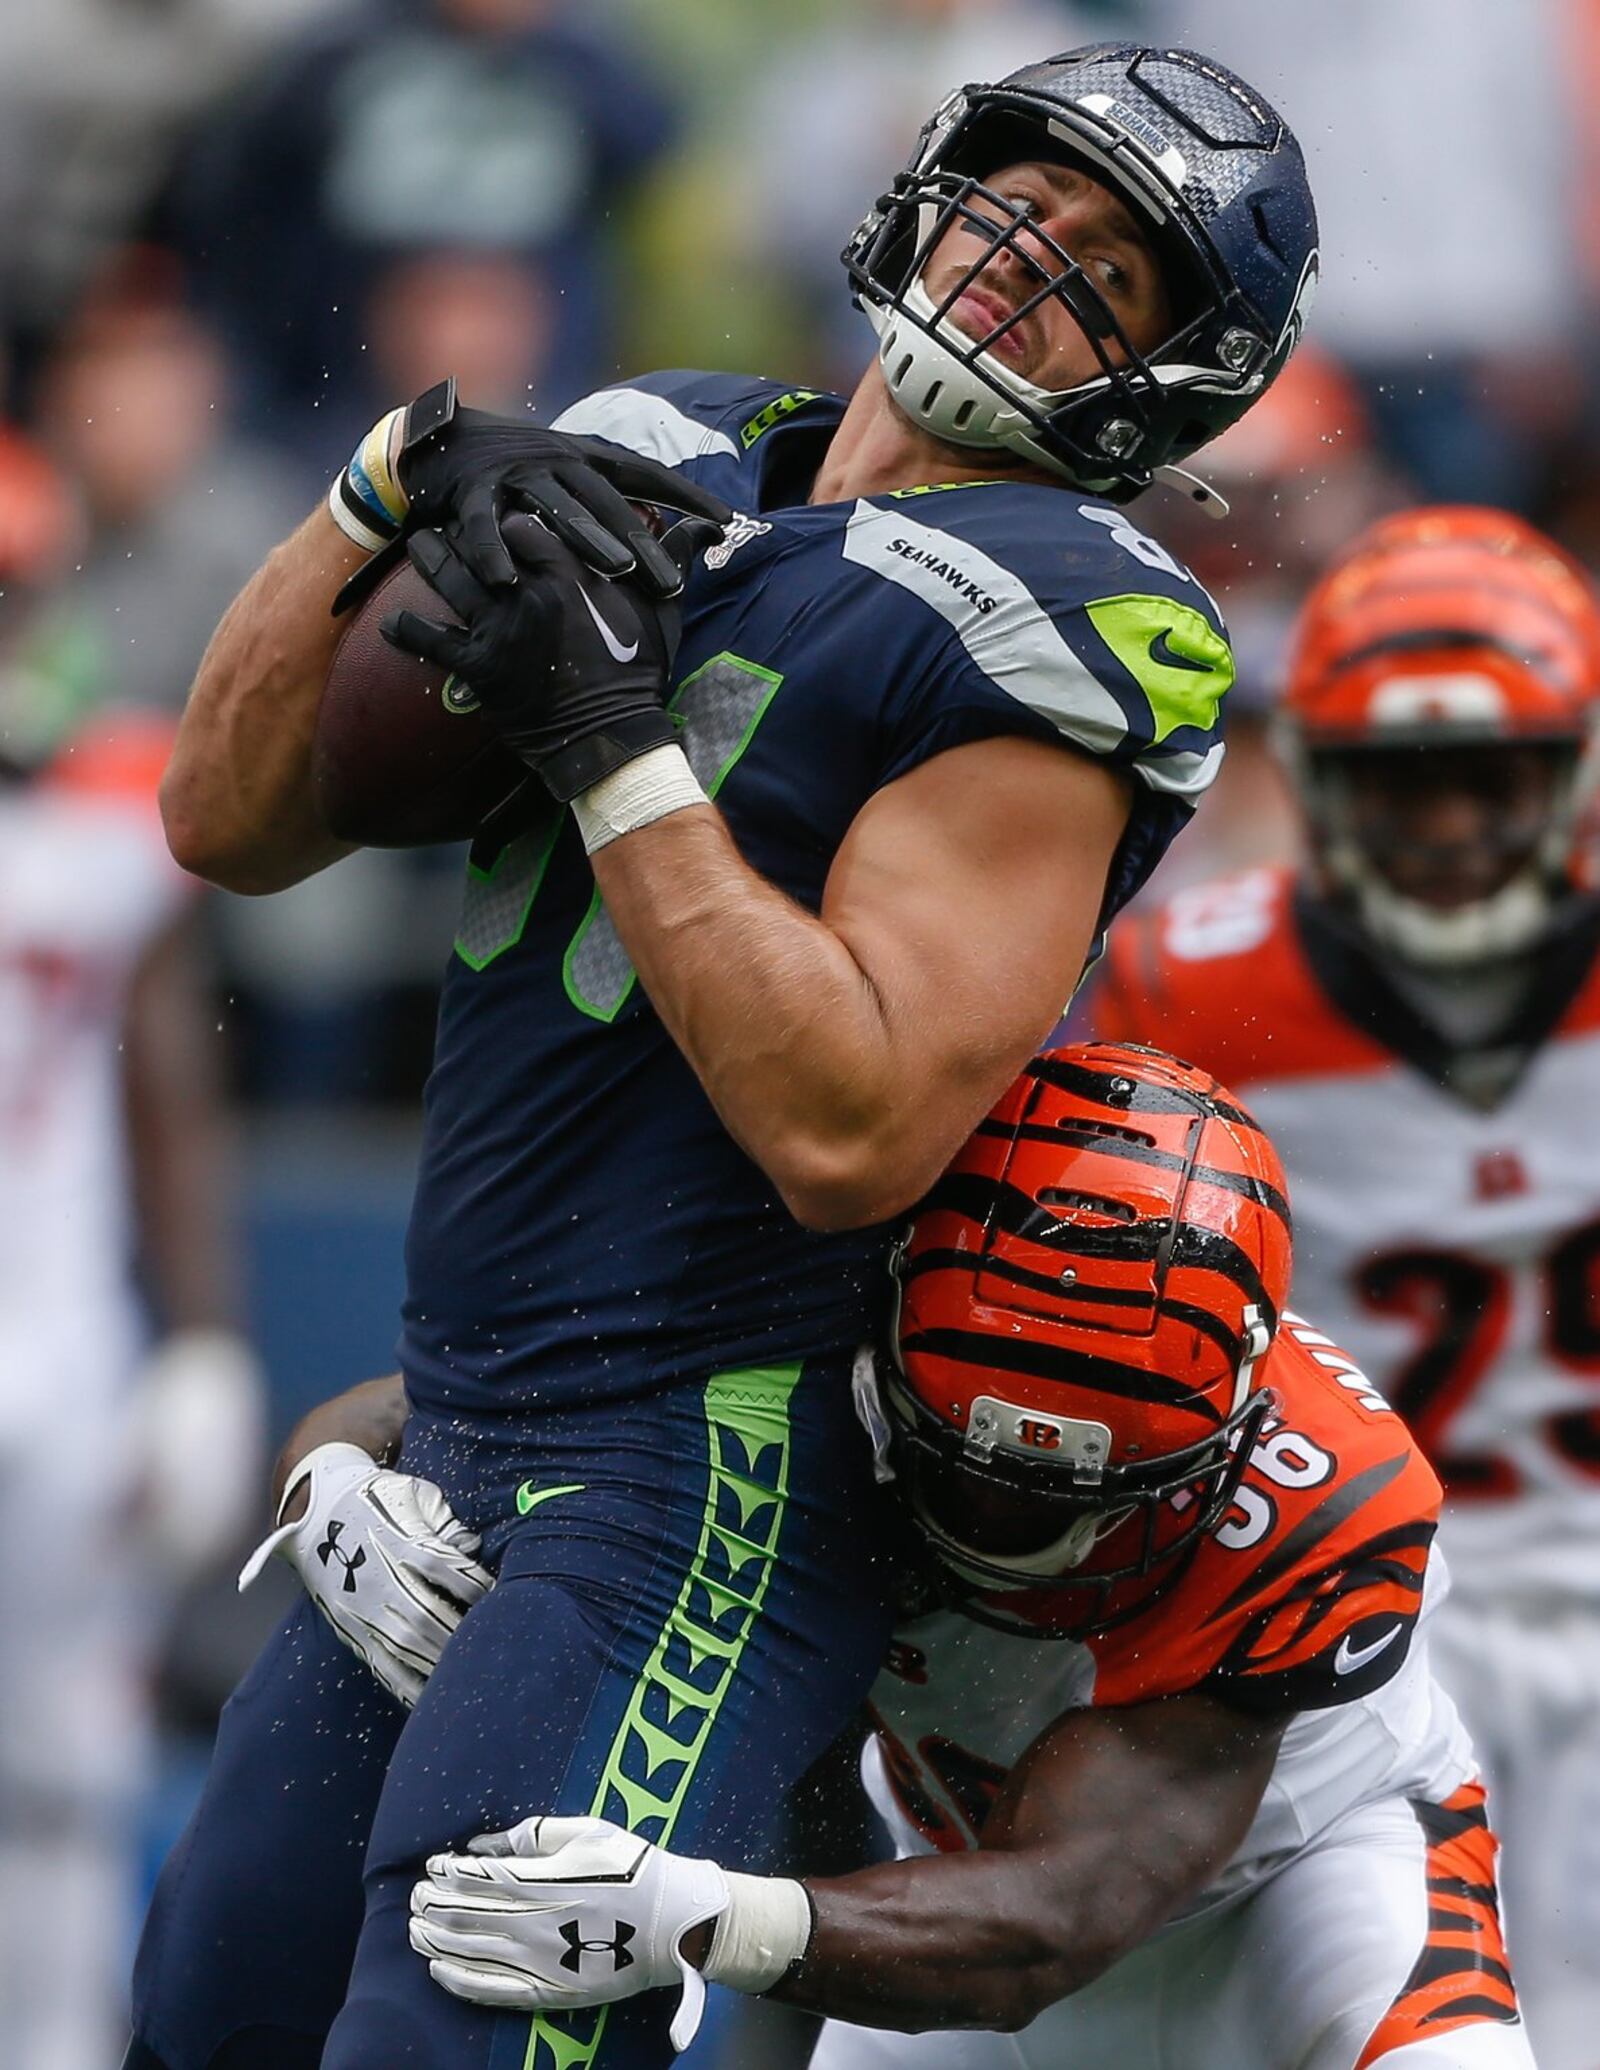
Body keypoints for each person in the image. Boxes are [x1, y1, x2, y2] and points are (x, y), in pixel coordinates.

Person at [129, 45, 1319, 2070]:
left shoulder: (1078, 609)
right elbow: (226, 819)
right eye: (1028, 198)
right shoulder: (655, 441)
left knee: (448, 2047)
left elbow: (843, 1124)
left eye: (1113, 273)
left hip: (704, 1476)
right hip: (458, 1428)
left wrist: (612, 751)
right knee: (200, 2027)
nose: (1035, 259)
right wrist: (388, 481)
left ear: (1168, 377)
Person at [387, 1042, 1530, 2069]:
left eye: (1068, 1498)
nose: (999, 1526)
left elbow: (1060, 1917)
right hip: (950, 1904)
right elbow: (470, 1413)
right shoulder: (809, 1363)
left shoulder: (1322, 1507)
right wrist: (332, 1487)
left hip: (1302, 1887)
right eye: (969, 1467)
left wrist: (706, 1917)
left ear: (1223, 1439)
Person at [1091, 506, 1600, 2069]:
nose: (1448, 824)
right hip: (1352, 1597)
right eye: (1402, 779)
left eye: (1491, 774)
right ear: (1312, 770)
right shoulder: (1194, 991)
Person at [0, 447, 262, 2070]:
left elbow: (169, 1085)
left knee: (61, 1772)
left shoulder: (109, 806)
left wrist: (205, 1342)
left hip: (59, 1336)